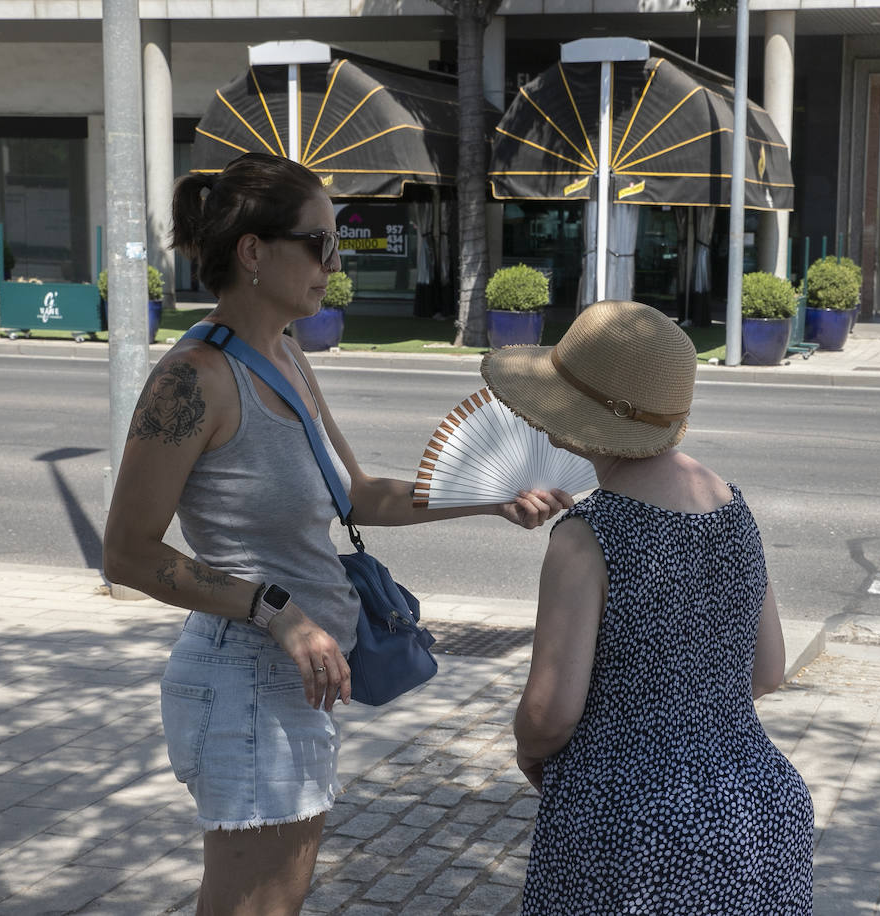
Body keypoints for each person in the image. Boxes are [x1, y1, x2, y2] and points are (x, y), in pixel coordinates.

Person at [102, 151, 570, 916]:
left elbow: (354, 495)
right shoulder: (192, 378)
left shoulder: (285, 353)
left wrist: (488, 497)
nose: (334, 261)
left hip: (295, 679)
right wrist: (277, 611)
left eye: (336, 242)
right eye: (319, 242)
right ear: (254, 252)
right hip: (244, 676)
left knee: (269, 901)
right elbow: (126, 553)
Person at [484, 299, 814, 914]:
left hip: (631, 826)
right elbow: (767, 671)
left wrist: (531, 753)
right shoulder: (730, 505)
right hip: (762, 810)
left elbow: (550, 712)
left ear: (572, 417)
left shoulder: (590, 533)